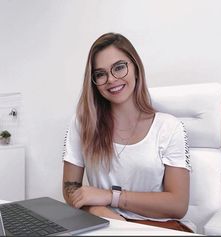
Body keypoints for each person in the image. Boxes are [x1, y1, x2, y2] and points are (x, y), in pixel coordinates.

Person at [62, 32, 193, 233]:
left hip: (157, 228)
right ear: (94, 82)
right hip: (104, 225)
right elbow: (70, 188)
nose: (111, 79)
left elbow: (178, 205)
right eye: (100, 74)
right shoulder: (83, 123)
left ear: (136, 69)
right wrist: (95, 209)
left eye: (119, 67)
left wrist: (110, 197)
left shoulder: (169, 127)